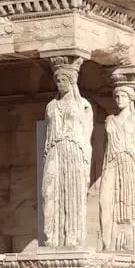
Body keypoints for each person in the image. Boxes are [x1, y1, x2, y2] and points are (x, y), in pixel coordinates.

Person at [42, 59, 93, 248]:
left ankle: (72, 238)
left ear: (72, 81)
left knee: (72, 193)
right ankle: (52, 237)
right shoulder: (51, 106)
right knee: (49, 192)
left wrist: (85, 158)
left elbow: (87, 134)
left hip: (73, 151)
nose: (59, 84)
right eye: (57, 81)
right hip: (55, 150)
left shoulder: (83, 105)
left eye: (63, 80)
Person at [100, 81, 135, 252]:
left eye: (123, 96)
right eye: (117, 96)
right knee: (106, 201)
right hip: (111, 163)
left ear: (130, 99)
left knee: (129, 204)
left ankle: (128, 244)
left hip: (129, 163)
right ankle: (108, 242)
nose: (119, 99)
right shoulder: (109, 120)